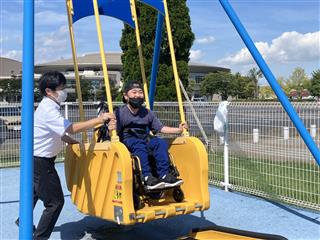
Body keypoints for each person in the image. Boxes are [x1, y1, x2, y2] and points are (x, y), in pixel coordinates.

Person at [16, 71, 116, 240]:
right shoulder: (48, 108)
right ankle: (39, 238)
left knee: (34, 192)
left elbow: (59, 132)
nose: (64, 91)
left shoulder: (50, 106)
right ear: (49, 91)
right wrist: (99, 119)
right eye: (61, 88)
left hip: (38, 158)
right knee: (55, 203)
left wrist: (72, 143)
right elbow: (70, 128)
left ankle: (22, 220)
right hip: (40, 160)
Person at [115, 81, 187, 190]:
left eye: (140, 92)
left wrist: (179, 130)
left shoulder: (147, 113)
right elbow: (114, 132)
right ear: (126, 96)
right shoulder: (121, 113)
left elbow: (161, 128)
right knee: (139, 146)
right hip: (128, 139)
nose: (137, 95)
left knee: (160, 142)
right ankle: (146, 176)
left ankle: (164, 174)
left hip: (144, 137)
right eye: (134, 92)